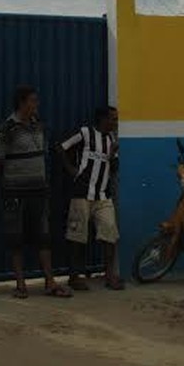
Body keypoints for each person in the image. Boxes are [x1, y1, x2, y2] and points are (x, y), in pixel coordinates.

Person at [0, 85, 72, 299]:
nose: (37, 105)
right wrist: (11, 178)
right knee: (16, 239)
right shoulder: (7, 129)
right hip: (15, 193)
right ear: (22, 103)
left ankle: (49, 282)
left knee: (44, 237)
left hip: (39, 191)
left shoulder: (38, 126)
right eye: (33, 101)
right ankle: (20, 284)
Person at [57, 106, 125, 291]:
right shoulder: (85, 133)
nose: (115, 123)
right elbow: (61, 148)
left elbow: (115, 168)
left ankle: (109, 275)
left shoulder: (112, 140)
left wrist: (112, 155)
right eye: (113, 119)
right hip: (82, 194)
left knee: (109, 233)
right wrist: (71, 170)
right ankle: (74, 276)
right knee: (77, 236)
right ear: (102, 119)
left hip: (103, 196)